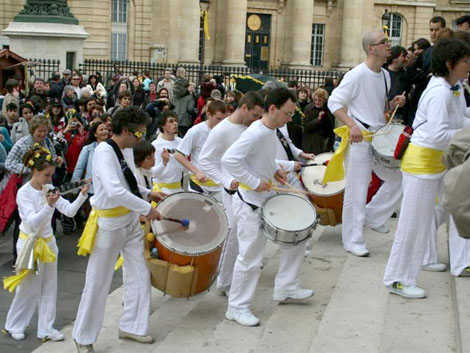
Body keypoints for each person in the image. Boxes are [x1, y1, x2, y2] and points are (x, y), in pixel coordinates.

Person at [383, 38, 470, 298]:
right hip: (422, 164)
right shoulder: (441, 92)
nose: (469, 65)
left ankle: (413, 269)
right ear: (450, 63)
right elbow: (437, 134)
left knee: (437, 214)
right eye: (465, 61)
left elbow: (460, 117)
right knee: (412, 224)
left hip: (437, 162)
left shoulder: (452, 87)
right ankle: (397, 278)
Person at [72, 106, 163, 353]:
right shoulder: (103, 152)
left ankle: (133, 326)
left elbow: (128, 183)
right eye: (138, 133)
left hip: (130, 221)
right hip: (109, 224)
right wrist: (147, 207)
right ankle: (83, 335)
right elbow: (113, 190)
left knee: (140, 273)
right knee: (98, 281)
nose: (140, 139)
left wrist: (147, 193)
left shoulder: (126, 149)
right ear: (125, 130)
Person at [221, 88, 314, 327]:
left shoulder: (272, 130)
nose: (290, 118)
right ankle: (236, 307)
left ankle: (286, 287)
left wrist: (273, 170)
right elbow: (229, 160)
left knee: (298, 236)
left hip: (267, 197)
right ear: (272, 109)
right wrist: (253, 181)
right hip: (250, 203)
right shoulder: (255, 133)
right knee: (250, 258)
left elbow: (261, 158)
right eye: (287, 113)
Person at [326, 30, 406, 257]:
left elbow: (380, 108)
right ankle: (353, 240)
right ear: (372, 48)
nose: (389, 45)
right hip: (359, 138)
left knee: (399, 177)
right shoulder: (356, 74)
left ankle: (373, 216)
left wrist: (394, 104)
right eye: (384, 42)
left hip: (379, 137)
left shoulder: (385, 75)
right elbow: (335, 102)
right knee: (357, 190)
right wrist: (352, 125)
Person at [3, 145, 88, 342]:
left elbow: (69, 211)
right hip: (29, 244)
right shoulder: (24, 193)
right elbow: (32, 223)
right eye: (46, 175)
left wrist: (82, 195)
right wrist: (49, 206)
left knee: (50, 287)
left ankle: (46, 328)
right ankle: (14, 324)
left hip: (49, 244)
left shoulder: (49, 188)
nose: (49, 179)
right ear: (35, 171)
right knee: (28, 287)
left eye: (51, 175)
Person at [199, 92, 265, 295]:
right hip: (232, 191)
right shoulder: (221, 131)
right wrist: (226, 180)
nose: (256, 120)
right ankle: (225, 281)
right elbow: (205, 160)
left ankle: (238, 276)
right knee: (234, 233)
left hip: (252, 188)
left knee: (249, 233)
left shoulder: (252, 128)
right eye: (254, 115)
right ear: (244, 108)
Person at [175, 100, 227, 198]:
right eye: (218, 119)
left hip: (219, 185)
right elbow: (178, 154)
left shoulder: (227, 131)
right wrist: (196, 171)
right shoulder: (196, 131)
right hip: (199, 185)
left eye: (224, 120)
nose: (221, 123)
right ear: (208, 114)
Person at [151, 112, 185, 194]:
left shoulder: (182, 142)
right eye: (171, 121)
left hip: (178, 188)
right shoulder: (155, 145)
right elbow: (152, 173)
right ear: (163, 125)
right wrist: (164, 163)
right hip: (162, 190)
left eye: (176, 121)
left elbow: (185, 168)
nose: (175, 124)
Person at [72, 120, 110, 194]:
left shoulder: (111, 148)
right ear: (95, 134)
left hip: (107, 189)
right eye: (101, 130)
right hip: (91, 189)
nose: (104, 131)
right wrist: (74, 189)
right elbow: (79, 168)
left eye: (105, 129)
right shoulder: (88, 149)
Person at [303, 88, 335, 154]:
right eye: (316, 100)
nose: (317, 102)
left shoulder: (328, 109)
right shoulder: (309, 108)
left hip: (324, 142)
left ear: (324, 100)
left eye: (320, 100)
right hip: (311, 143)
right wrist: (318, 119)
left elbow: (330, 128)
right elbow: (306, 127)